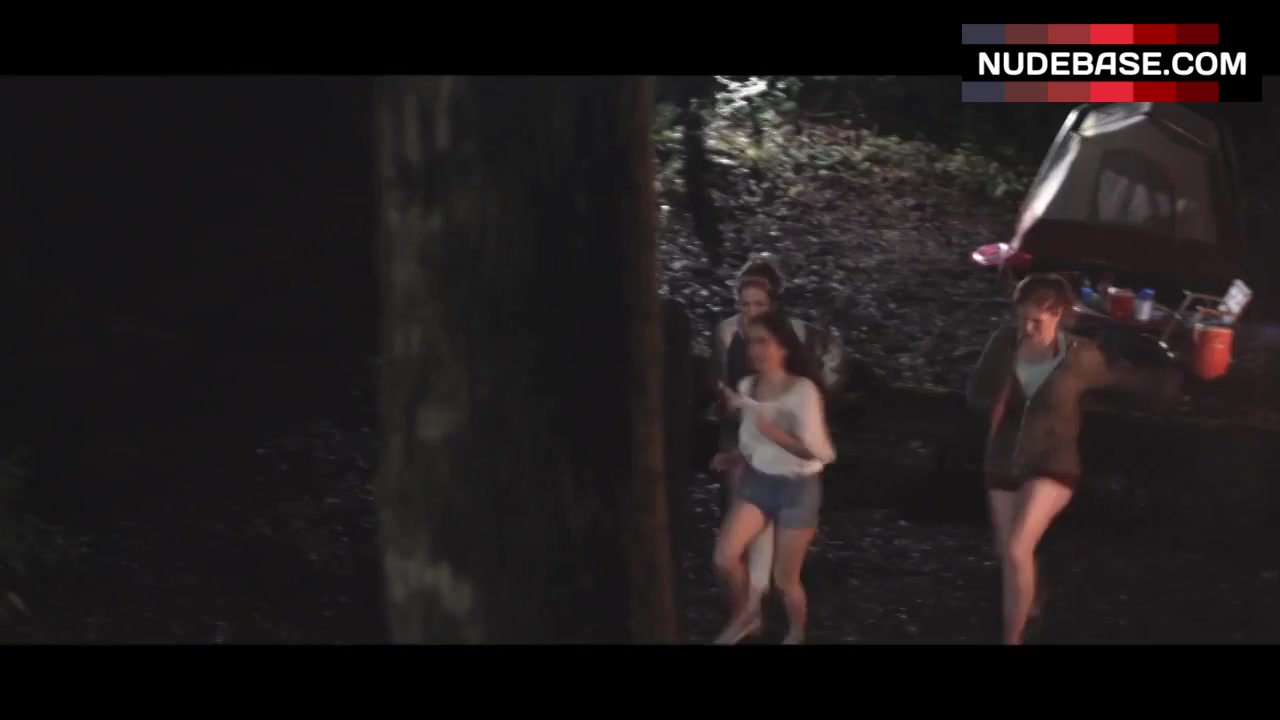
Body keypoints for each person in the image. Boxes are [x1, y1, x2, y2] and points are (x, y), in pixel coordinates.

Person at [967, 273, 1183, 645]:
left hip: (1054, 463)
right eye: (1022, 318)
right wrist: (1001, 397)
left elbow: (1122, 377)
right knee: (1008, 553)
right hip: (1004, 458)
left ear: (1058, 316)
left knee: (1018, 546)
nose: (1027, 328)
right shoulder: (1003, 343)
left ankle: (1012, 639)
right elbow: (976, 394)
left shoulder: (1079, 356)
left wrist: (1169, 383)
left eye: (1037, 321)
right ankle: (1032, 601)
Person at [708, 254, 844, 636]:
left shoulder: (796, 351)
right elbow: (722, 381)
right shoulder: (729, 335)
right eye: (745, 304)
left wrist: (789, 425)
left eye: (759, 304)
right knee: (737, 538)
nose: (751, 312)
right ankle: (749, 608)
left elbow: (819, 446)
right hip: (750, 451)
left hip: (792, 472)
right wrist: (734, 422)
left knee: (785, 567)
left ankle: (782, 615)